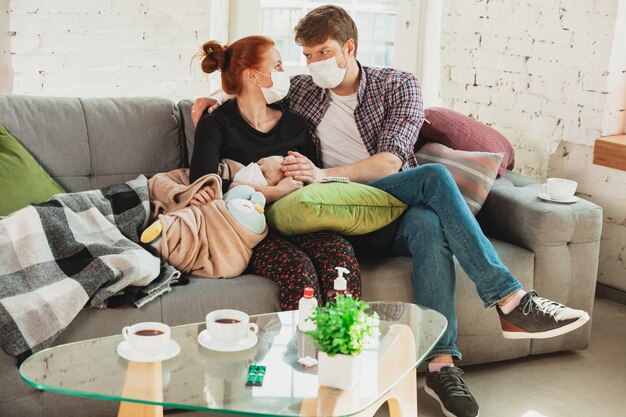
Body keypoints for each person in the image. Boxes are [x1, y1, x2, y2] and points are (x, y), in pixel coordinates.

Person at [192, 6, 590, 417]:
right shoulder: (304, 90)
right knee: (432, 195)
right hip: (340, 215)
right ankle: (505, 306)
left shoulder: (396, 85)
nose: (313, 65)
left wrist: (322, 175)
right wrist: (211, 99)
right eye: (307, 55)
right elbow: (253, 88)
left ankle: (443, 364)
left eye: (323, 52)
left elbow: (390, 162)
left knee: (427, 210)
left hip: (387, 203)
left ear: (349, 47)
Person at [190, 35, 361, 311]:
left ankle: (342, 343)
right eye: (278, 66)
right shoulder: (215, 124)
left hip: (297, 222)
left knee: (338, 253)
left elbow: (311, 179)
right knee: (297, 267)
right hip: (251, 232)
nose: (285, 74)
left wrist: (305, 178)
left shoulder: (295, 125)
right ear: (253, 76)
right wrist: (276, 191)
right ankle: (302, 349)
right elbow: (204, 186)